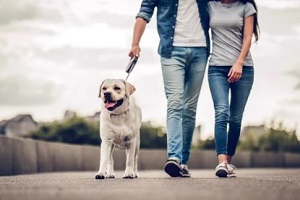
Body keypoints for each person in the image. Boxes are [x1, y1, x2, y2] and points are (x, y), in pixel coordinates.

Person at [128, 0, 210, 177]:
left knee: (189, 109)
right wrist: (135, 43)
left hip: (200, 51)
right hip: (171, 52)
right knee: (175, 102)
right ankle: (174, 157)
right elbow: (144, 13)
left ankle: (184, 161)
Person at [207, 0, 260, 177]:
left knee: (236, 119)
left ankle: (228, 163)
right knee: (222, 111)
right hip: (217, 68)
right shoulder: (210, 5)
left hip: (243, 69)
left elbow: (247, 38)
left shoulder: (246, 7)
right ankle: (221, 163)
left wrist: (239, 63)